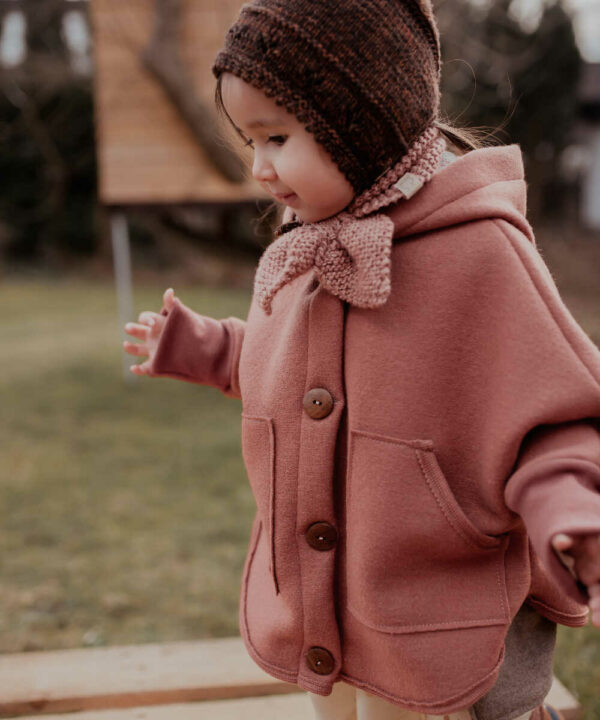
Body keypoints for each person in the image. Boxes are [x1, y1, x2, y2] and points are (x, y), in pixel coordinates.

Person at [123, 1, 600, 718]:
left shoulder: (479, 254)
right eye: (249, 141)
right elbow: (307, 373)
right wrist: (212, 348)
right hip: (334, 604)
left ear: (361, 126)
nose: (258, 167)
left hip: (437, 602)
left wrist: (569, 506)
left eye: (276, 137)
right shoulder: (311, 242)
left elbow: (551, 415)